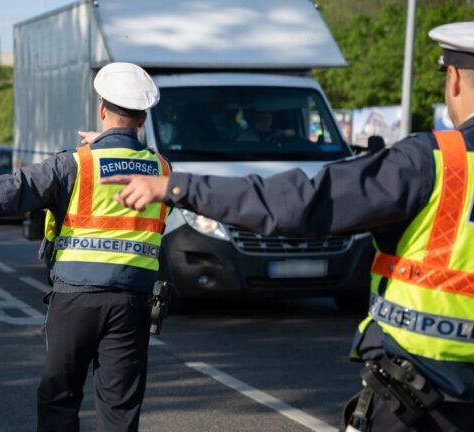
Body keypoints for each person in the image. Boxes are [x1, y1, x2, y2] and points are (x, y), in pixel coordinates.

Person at [100, 22, 474, 432]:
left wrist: (177, 185)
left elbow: (297, 202)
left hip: (427, 400)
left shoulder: (432, 162)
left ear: (453, 79)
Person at [0, 62, 171, 432]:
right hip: (132, 303)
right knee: (120, 407)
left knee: (59, 398)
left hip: (76, 299)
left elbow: (10, 191)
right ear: (142, 117)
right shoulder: (162, 169)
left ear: (102, 109)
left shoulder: (75, 164)